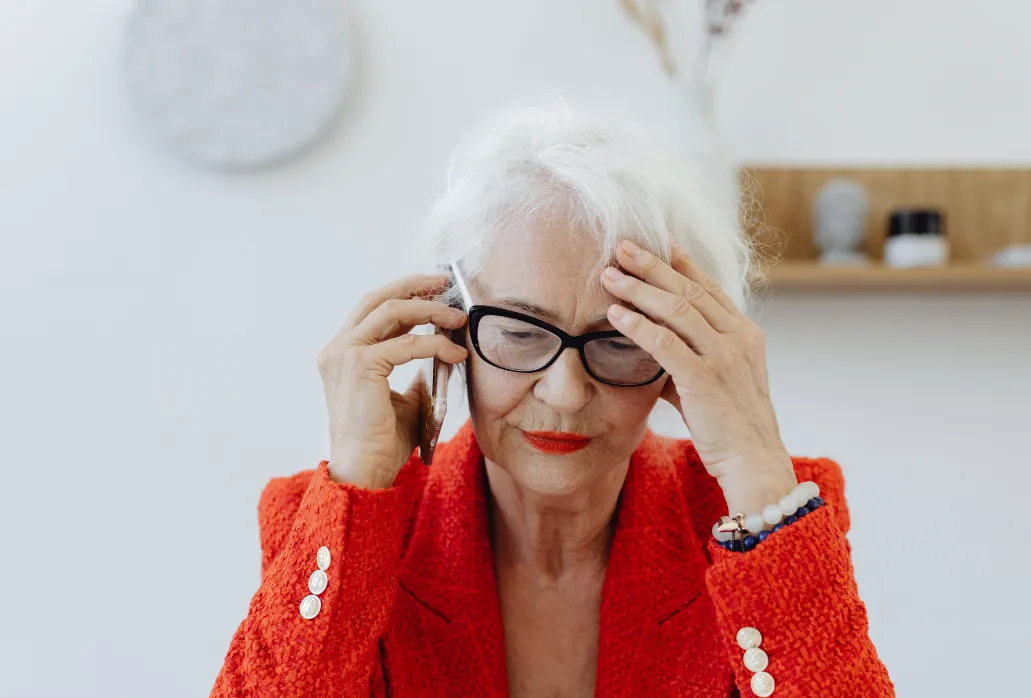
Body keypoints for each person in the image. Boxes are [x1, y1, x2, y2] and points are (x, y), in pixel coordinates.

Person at [210, 102, 894, 697]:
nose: (565, 393)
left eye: (619, 342)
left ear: (680, 355)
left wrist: (756, 467)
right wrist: (358, 476)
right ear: (448, 325)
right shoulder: (333, 527)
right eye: (517, 332)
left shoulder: (762, 519)